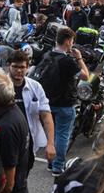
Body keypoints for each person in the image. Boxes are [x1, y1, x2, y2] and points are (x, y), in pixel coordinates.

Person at [5, 50, 55, 193]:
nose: (18, 71)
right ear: (9, 65)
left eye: (22, 67)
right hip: (2, 146)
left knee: (18, 188)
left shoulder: (35, 88)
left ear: (28, 67)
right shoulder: (0, 85)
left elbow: (46, 115)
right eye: (15, 67)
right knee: (5, 187)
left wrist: (51, 143)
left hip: (27, 149)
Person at [37, 27, 89, 175]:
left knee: (50, 133)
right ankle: (58, 166)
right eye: (72, 41)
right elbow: (85, 76)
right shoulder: (67, 61)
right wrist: (79, 58)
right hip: (65, 103)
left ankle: (50, 162)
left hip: (48, 102)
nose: (72, 44)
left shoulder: (47, 55)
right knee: (62, 135)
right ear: (67, 41)